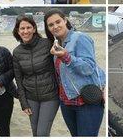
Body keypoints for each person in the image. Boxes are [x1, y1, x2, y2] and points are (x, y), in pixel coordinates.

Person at [44, 9, 105, 137]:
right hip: (66, 102)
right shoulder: (57, 45)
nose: (55, 26)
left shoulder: (80, 38)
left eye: (58, 22)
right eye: (51, 25)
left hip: (86, 101)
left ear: (65, 20)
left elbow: (89, 67)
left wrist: (66, 56)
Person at [12, 16, 59, 137]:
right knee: (35, 133)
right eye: (22, 28)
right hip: (31, 98)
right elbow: (18, 79)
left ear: (34, 29)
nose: (25, 31)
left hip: (50, 96)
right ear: (18, 31)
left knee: (42, 133)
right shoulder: (17, 52)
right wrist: (24, 103)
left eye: (29, 27)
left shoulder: (47, 43)